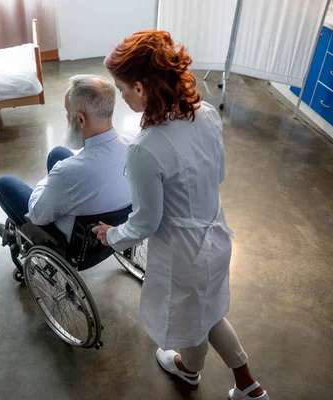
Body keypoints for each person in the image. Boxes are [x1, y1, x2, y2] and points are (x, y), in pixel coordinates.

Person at [93, 31, 269, 400]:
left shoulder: (145, 148)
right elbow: (217, 175)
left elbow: (146, 223)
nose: (121, 97)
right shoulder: (204, 114)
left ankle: (193, 372)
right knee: (208, 312)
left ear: (141, 88)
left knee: (194, 320)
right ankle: (245, 384)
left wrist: (112, 236)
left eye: (122, 88)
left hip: (183, 253)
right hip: (217, 234)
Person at [0, 74, 131, 242]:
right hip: (114, 227)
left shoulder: (66, 172)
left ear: (81, 119)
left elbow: (37, 215)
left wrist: (47, 180)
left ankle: (20, 238)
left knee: (3, 183)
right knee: (58, 152)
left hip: (73, 242)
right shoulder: (132, 146)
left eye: (68, 112)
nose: (66, 117)